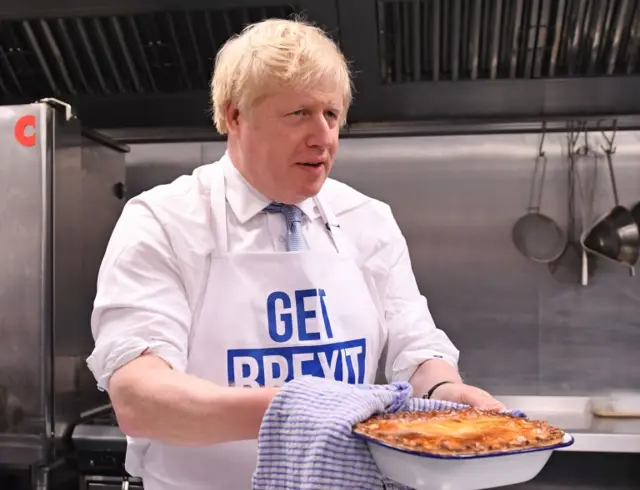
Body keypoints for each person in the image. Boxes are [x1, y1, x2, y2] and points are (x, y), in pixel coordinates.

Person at [87, 17, 505, 490]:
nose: (322, 136)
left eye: (330, 115)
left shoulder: (367, 219)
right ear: (235, 115)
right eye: (298, 114)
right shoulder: (165, 221)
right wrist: (297, 409)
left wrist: (445, 391)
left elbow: (416, 349)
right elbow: (141, 400)